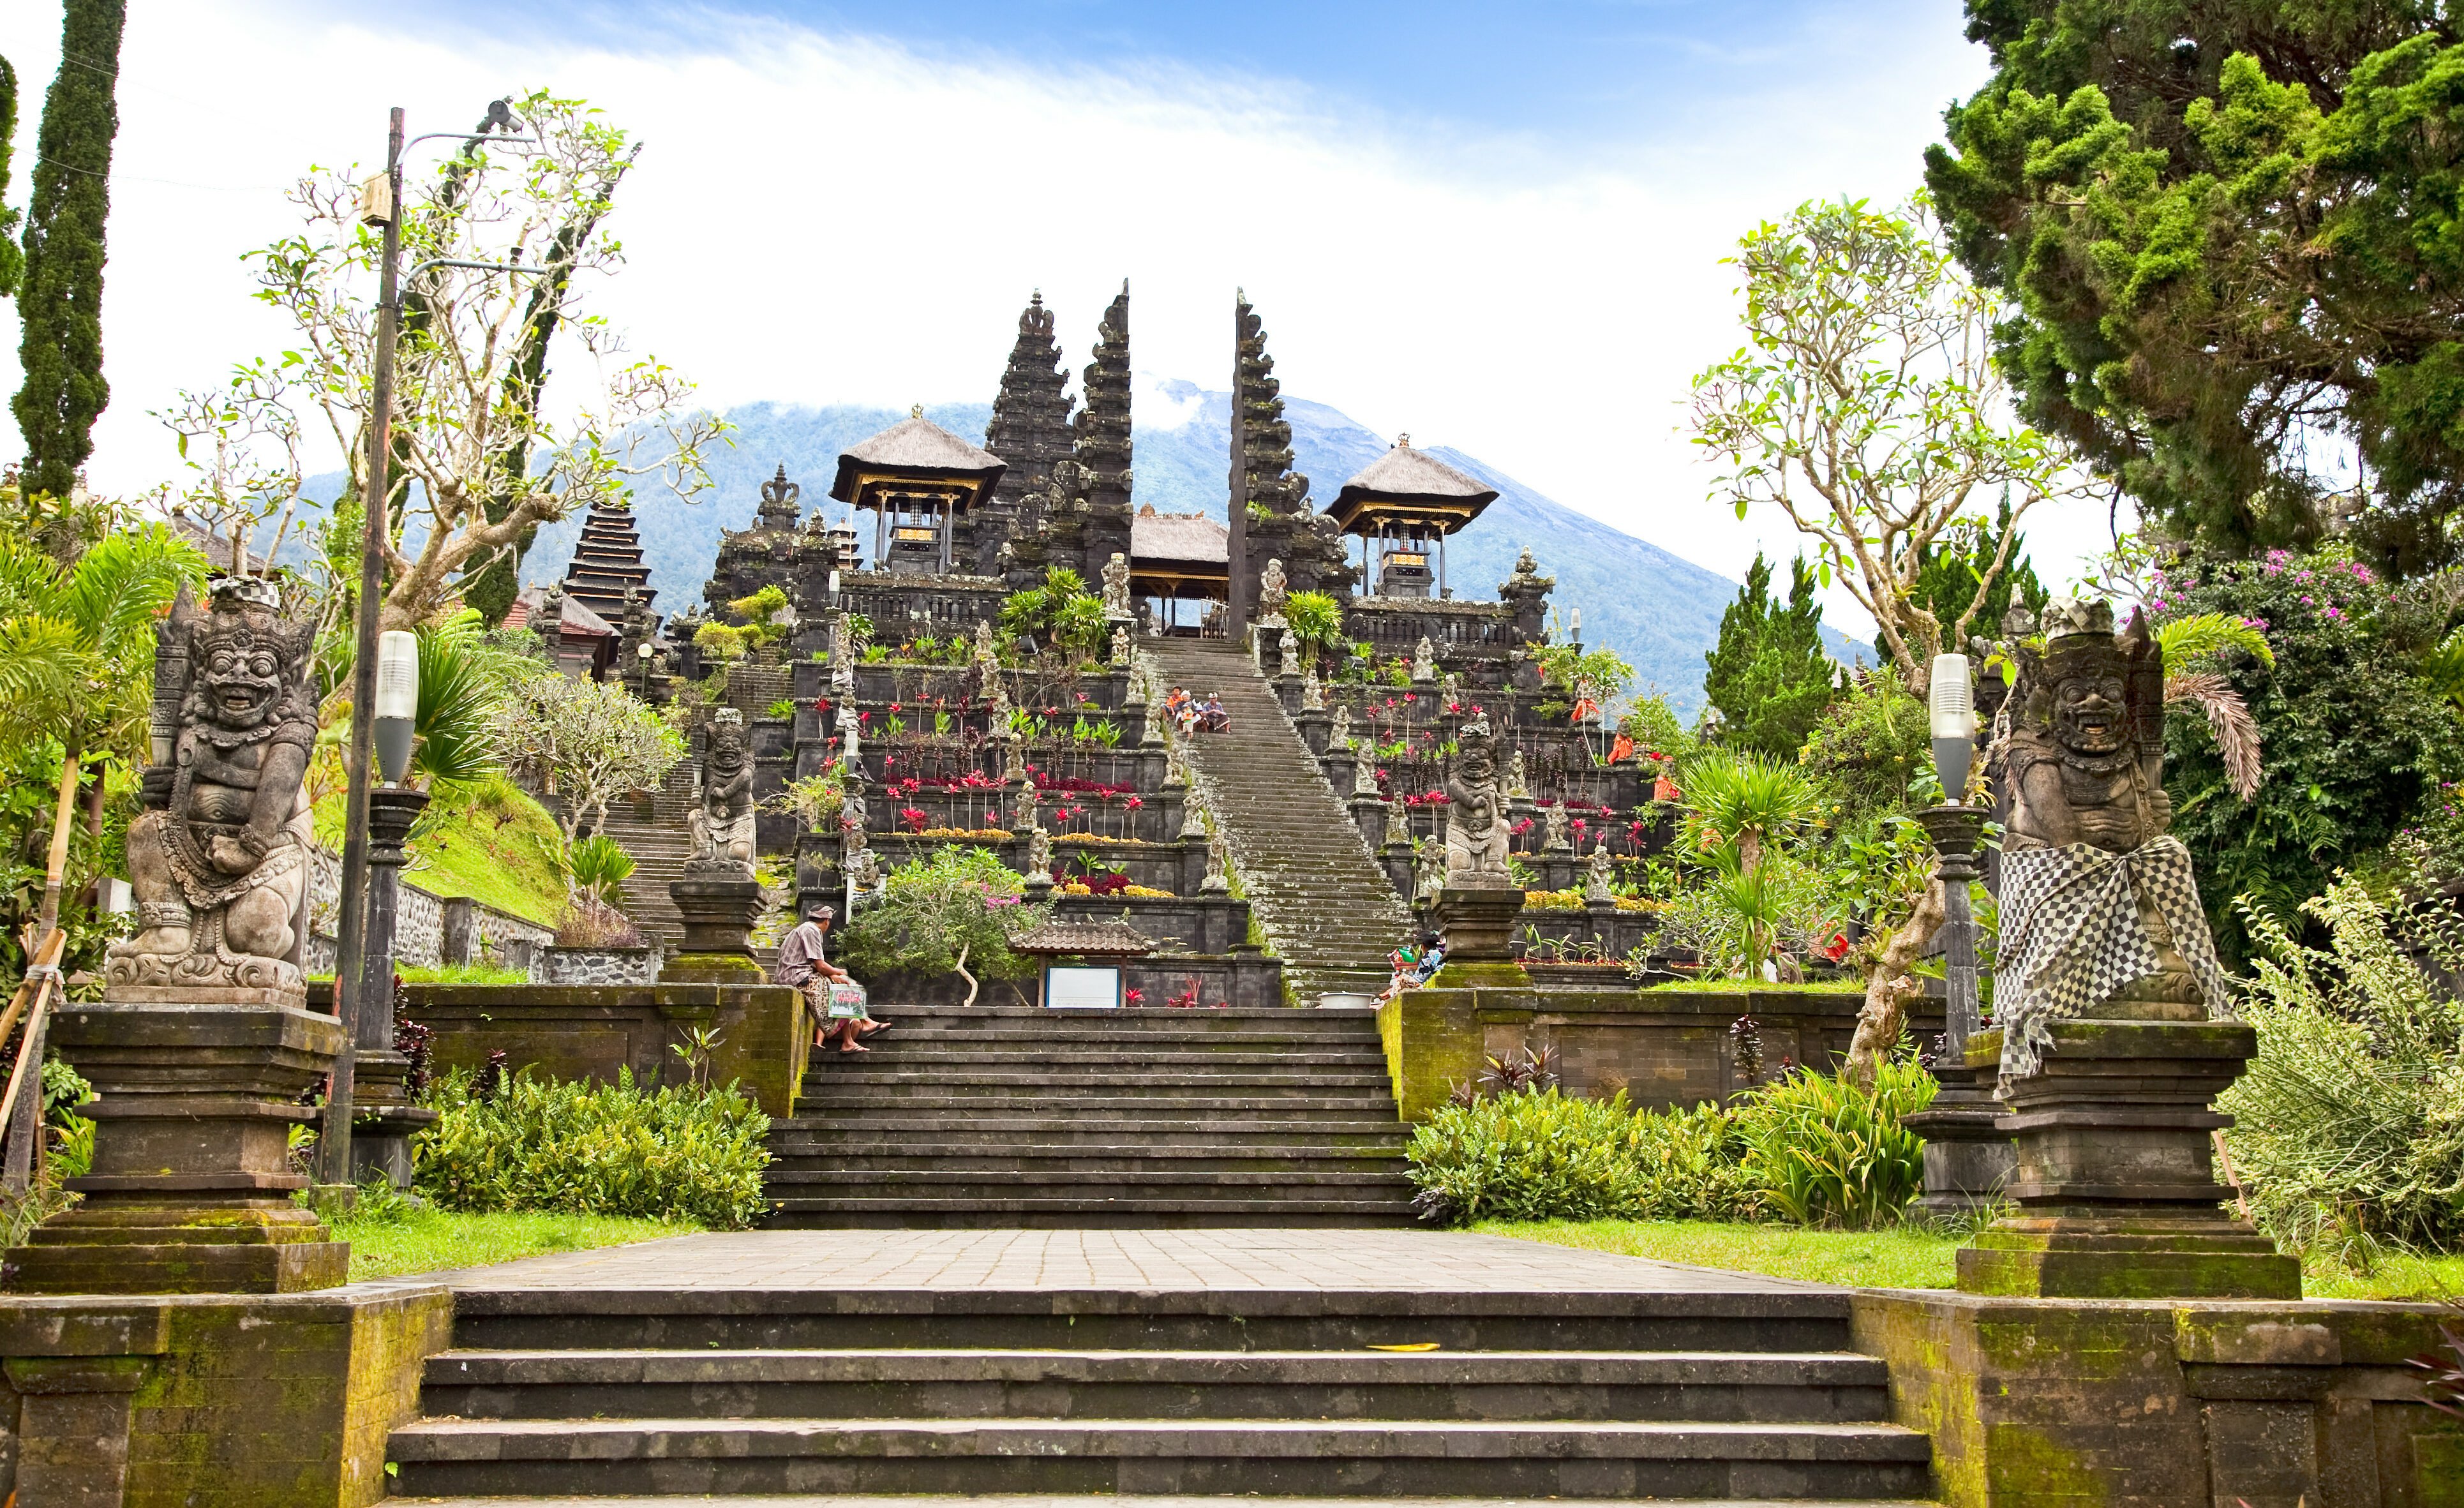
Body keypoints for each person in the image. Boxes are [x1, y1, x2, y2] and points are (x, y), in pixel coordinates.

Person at [777, 904, 886, 1054]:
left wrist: (836, 975)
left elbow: (815, 966)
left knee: (844, 985)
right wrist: (840, 971)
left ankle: (854, 1035)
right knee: (842, 989)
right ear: (827, 920)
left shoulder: (805, 928)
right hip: (796, 977)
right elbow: (821, 966)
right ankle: (861, 1026)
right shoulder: (812, 931)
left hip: (798, 975)